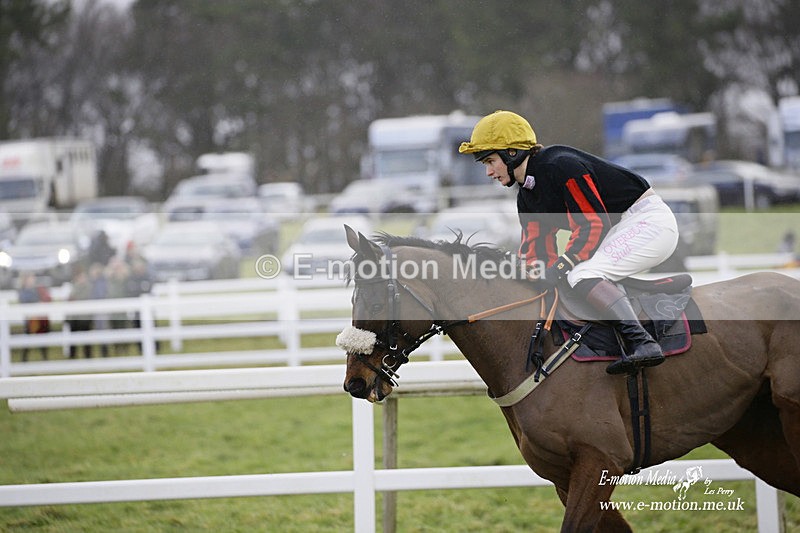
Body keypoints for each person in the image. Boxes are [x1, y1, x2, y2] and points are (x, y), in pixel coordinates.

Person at [459, 110, 679, 374]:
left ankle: (642, 342)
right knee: (569, 275)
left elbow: (594, 225)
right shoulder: (526, 196)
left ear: (512, 153)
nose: (488, 172)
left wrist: (562, 266)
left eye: (490, 161)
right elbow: (535, 251)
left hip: (648, 222)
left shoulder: (560, 166)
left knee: (582, 273)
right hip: (620, 228)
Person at [17, 273, 51, 361]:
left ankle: (44, 358)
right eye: (30, 278)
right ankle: (24, 359)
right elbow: (24, 303)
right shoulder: (23, 291)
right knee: (27, 340)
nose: (32, 280)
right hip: (30, 319)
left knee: (42, 339)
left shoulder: (37, 290)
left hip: (38, 318)